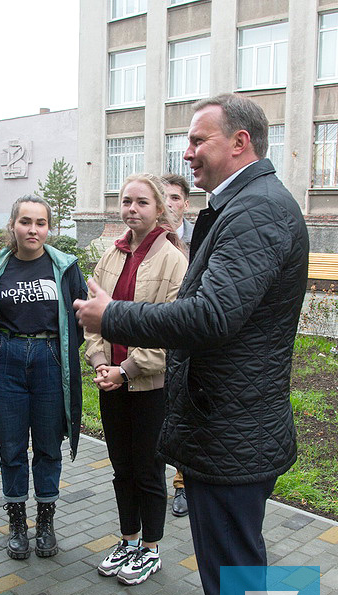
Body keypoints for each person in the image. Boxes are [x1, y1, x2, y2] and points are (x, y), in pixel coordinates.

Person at [74, 93, 310, 595]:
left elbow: (212, 314)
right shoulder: (244, 204)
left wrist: (113, 317)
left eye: (198, 140)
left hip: (234, 421)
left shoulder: (258, 210)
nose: (188, 154)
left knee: (236, 554)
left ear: (240, 142)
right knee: (231, 553)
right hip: (229, 418)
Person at [0, 194, 87, 559]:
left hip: (49, 361)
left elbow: (81, 318)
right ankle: (18, 523)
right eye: (25, 222)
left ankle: (47, 521)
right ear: (13, 225)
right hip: (7, 361)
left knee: (48, 445)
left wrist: (60, 350)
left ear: (49, 228)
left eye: (40, 223)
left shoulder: (66, 269)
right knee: (11, 447)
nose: (33, 229)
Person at [87, 174, 187, 585]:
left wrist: (126, 370)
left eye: (142, 202)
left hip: (150, 387)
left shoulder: (174, 260)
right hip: (110, 382)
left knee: (148, 469)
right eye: (127, 201)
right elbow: (92, 316)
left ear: (160, 209)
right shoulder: (110, 256)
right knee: (121, 467)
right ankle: (129, 539)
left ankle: (151, 549)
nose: (133, 209)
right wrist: (99, 364)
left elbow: (174, 332)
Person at [160, 173, 192, 517]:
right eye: (163, 196)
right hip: (153, 342)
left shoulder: (202, 238)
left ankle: (183, 485)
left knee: (184, 414)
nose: (169, 203)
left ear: (185, 203)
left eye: (174, 197)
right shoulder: (148, 240)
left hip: (186, 341)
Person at [161, 173, 194, 246]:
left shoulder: (200, 238)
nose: (167, 204)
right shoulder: (142, 237)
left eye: (175, 198)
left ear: (186, 205)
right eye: (162, 198)